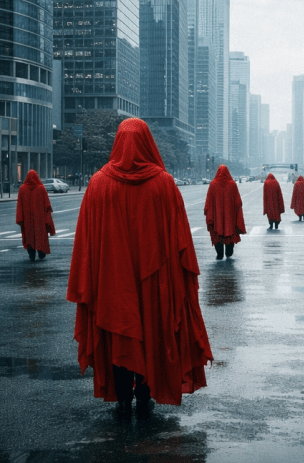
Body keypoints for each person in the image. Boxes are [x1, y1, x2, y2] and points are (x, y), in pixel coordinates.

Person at [67, 118, 213, 420]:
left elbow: (86, 243)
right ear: (149, 142)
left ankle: (122, 397)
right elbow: (180, 242)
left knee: (118, 330)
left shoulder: (98, 184)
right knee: (152, 332)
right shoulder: (164, 184)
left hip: (112, 280)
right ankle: (145, 395)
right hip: (155, 282)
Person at [204, 165, 246, 260]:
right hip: (230, 216)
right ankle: (228, 252)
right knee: (229, 230)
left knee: (217, 232)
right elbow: (238, 202)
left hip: (216, 216)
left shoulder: (213, 184)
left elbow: (208, 201)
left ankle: (219, 254)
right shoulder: (232, 184)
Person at [16, 169, 55, 261]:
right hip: (39, 219)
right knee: (40, 235)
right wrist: (47, 218)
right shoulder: (41, 188)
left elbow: (19, 206)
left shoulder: (22, 189)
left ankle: (31, 254)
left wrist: (20, 218)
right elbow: (47, 205)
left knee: (29, 236)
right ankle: (41, 252)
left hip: (27, 219)